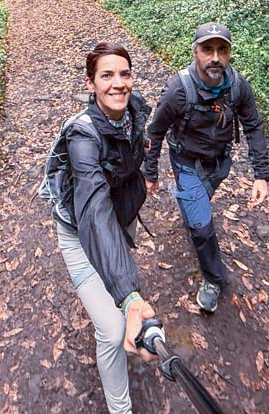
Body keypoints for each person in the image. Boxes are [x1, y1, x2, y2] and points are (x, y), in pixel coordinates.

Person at [53, 42, 158, 414]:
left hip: (116, 218)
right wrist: (130, 298)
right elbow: (94, 211)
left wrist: (147, 180)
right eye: (107, 75)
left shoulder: (135, 112)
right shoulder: (82, 136)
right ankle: (120, 409)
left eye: (125, 73)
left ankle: (119, 287)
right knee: (113, 331)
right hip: (79, 231)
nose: (118, 83)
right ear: (91, 83)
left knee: (116, 282)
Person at [143, 22, 269, 312]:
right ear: (195, 52)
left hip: (220, 163)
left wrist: (261, 175)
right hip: (186, 162)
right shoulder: (179, 89)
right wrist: (150, 172)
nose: (215, 58)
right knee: (201, 226)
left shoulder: (238, 86)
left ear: (229, 53)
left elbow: (253, 126)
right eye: (207, 50)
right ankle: (214, 279)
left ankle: (190, 206)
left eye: (222, 50)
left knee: (199, 206)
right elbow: (155, 132)